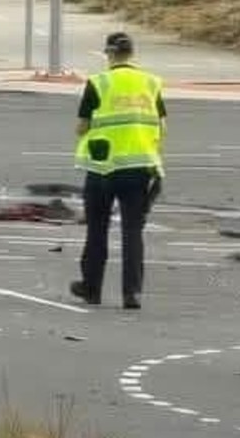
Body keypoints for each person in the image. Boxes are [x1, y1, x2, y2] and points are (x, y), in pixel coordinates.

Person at [69, 32, 166, 310]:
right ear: (132, 54)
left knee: (97, 230)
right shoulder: (150, 83)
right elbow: (162, 127)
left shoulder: (98, 83)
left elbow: (81, 127)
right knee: (132, 232)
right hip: (139, 168)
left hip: (103, 168)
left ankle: (91, 288)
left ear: (108, 54)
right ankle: (131, 293)